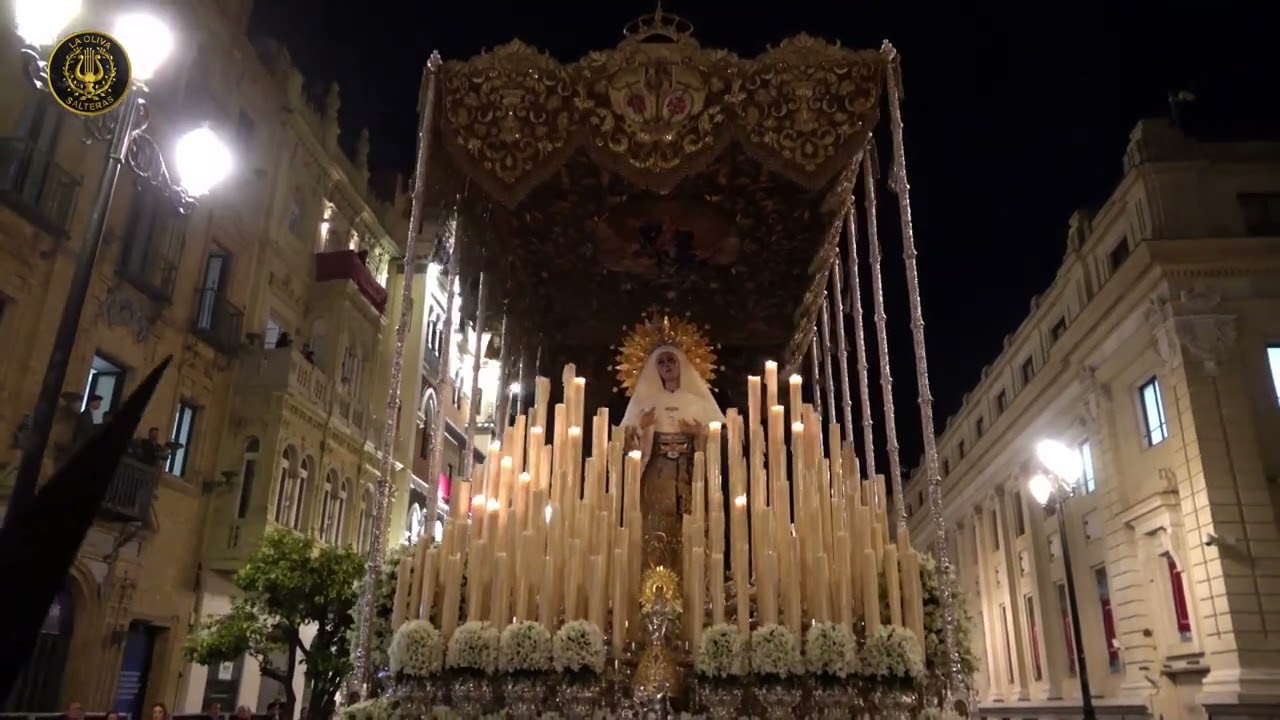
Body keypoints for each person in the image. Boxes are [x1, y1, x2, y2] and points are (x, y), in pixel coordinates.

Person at [621, 344, 726, 570]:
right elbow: (625, 443)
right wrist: (641, 427)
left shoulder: (698, 402)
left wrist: (700, 433)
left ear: (682, 364)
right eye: (661, 362)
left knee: (690, 524)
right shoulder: (646, 403)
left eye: (671, 361)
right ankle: (656, 581)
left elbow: (721, 438)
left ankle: (693, 581)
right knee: (657, 525)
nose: (667, 366)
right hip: (657, 473)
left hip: (690, 472)